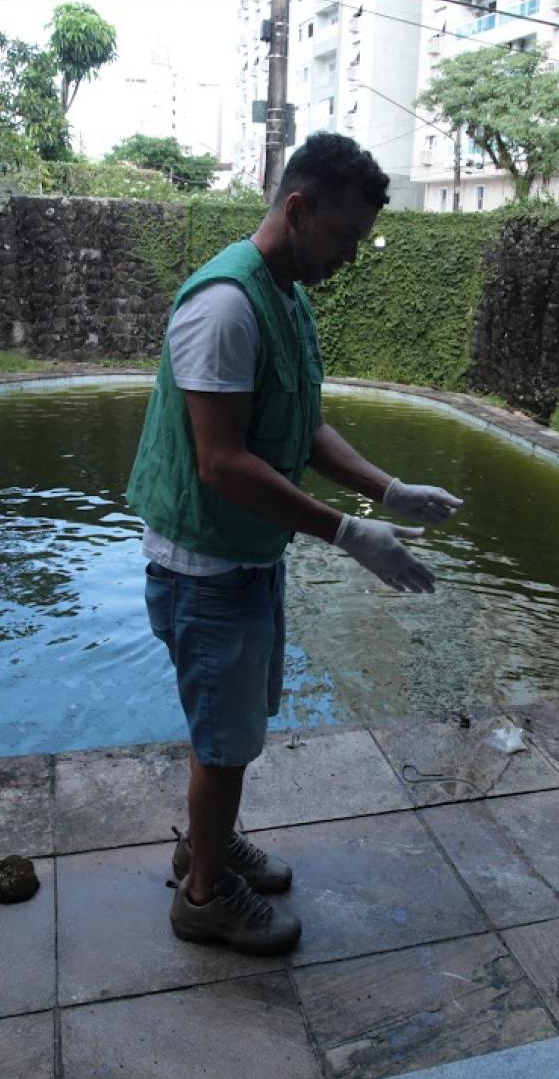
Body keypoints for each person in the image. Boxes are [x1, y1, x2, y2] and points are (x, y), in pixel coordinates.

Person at [125, 133, 464, 955]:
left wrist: (386, 490)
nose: (350, 256)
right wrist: (348, 532)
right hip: (205, 564)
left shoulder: (288, 297)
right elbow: (221, 461)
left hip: (249, 555)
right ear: (299, 208)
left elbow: (302, 425)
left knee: (236, 732)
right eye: (345, 236)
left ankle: (206, 844)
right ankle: (203, 895)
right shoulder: (225, 305)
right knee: (223, 737)